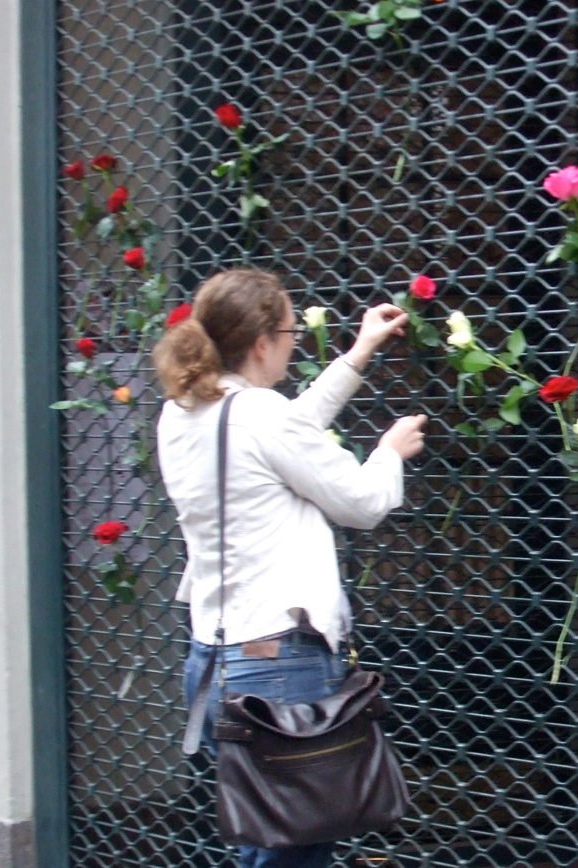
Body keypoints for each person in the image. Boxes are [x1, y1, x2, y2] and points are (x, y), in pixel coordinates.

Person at [152, 268, 426, 868]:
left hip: (219, 655)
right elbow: (360, 502)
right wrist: (387, 453)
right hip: (280, 662)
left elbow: (284, 433)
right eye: (289, 329)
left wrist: (357, 352)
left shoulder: (185, 411)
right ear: (259, 343)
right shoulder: (259, 415)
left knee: (267, 837)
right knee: (296, 846)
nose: (295, 338)